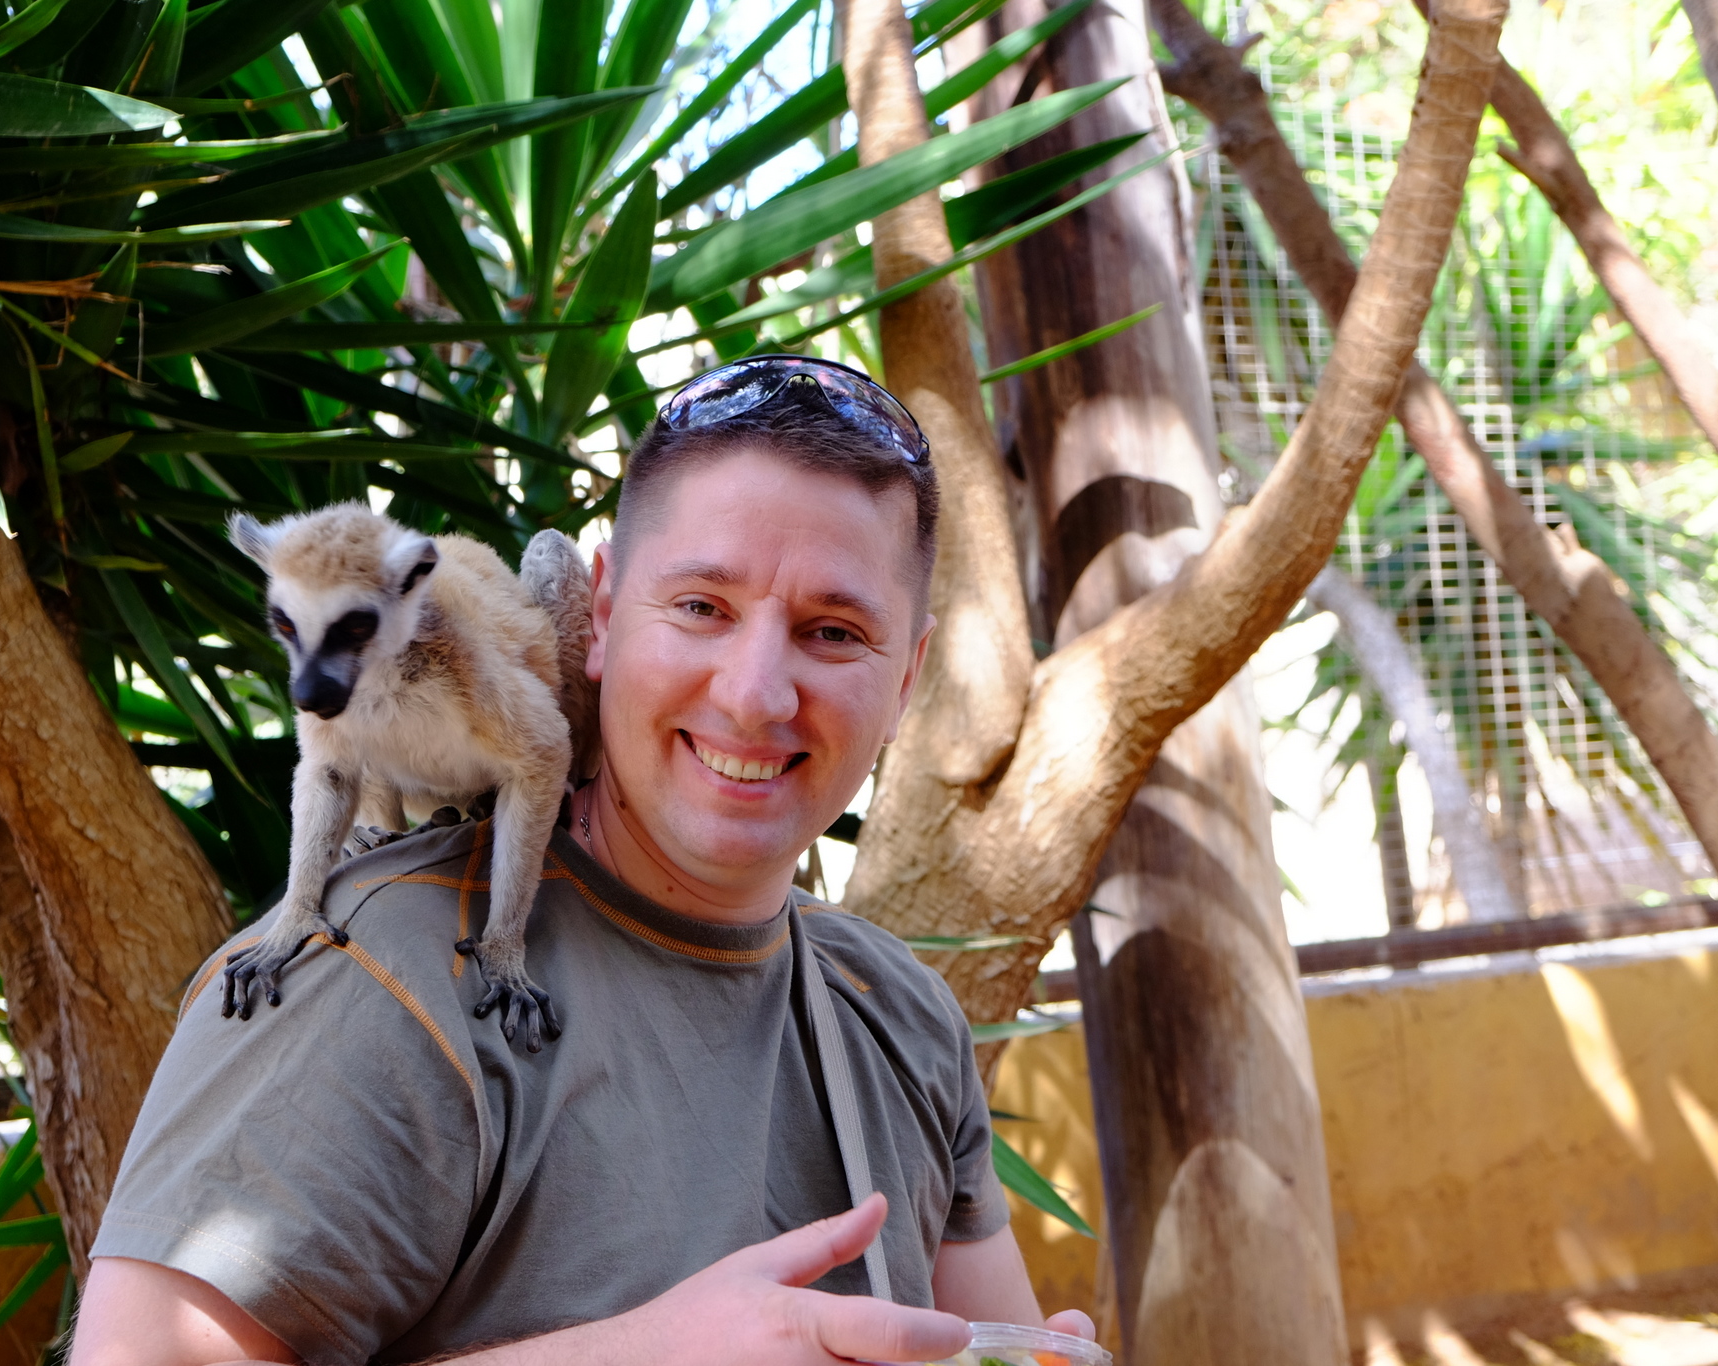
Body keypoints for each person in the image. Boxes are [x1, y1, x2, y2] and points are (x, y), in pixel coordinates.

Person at [68, 356, 1095, 1366]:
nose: (753, 697)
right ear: (597, 617)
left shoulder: (896, 1013)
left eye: (832, 632)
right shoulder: (375, 984)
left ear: (907, 677)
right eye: (700, 607)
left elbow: (991, 1345)